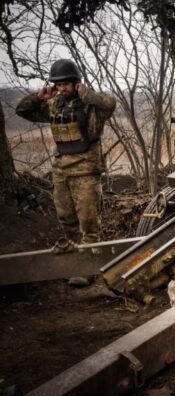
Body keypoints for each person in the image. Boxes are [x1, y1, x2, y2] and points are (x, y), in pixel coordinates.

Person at [16, 59, 116, 286]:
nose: (61, 89)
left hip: (86, 171)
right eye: (58, 85)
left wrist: (87, 94)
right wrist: (39, 97)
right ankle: (74, 263)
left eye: (65, 85)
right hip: (61, 170)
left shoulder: (91, 107)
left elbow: (109, 104)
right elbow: (22, 110)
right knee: (67, 219)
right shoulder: (54, 105)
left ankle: (88, 267)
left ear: (76, 83)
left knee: (89, 222)